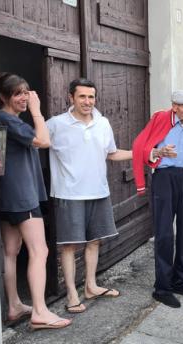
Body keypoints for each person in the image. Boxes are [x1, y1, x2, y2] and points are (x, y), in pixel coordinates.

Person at [0, 73, 71, 330]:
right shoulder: (9, 120)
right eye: (17, 93)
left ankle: (14, 305)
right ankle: (39, 312)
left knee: (11, 251)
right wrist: (37, 110)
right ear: (4, 97)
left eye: (26, 92)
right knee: (40, 251)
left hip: (10, 196)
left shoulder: (8, 120)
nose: (24, 97)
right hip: (22, 196)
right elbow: (44, 141)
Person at [46, 78, 132, 314]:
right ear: (70, 97)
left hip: (98, 191)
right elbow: (36, 142)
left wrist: (145, 153)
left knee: (94, 240)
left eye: (91, 96)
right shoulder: (55, 124)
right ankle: (72, 293)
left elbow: (112, 154)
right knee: (69, 245)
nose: (87, 101)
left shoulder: (103, 123)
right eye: (82, 96)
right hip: (69, 193)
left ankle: (91, 286)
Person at [132, 90, 183, 308]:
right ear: (174, 106)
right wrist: (159, 152)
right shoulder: (160, 119)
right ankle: (162, 288)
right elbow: (142, 148)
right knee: (165, 233)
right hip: (164, 178)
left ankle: (181, 281)